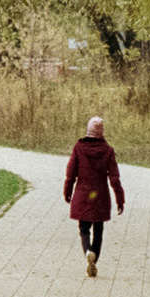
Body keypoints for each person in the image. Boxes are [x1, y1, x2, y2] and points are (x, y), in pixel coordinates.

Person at [64, 115, 125, 276]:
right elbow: (114, 178)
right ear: (101, 132)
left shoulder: (79, 147)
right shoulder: (108, 150)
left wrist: (67, 191)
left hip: (83, 195)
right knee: (98, 231)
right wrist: (120, 199)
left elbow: (71, 173)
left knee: (84, 229)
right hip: (100, 196)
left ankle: (87, 252)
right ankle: (94, 259)